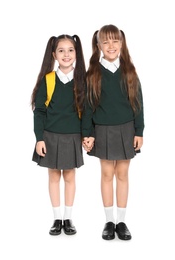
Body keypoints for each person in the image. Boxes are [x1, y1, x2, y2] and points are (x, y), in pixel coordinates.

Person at [82, 24, 144, 241]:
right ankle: (109, 221)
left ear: (121, 43)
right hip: (103, 130)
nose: (111, 45)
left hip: (126, 129)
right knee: (107, 174)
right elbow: (88, 106)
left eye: (115, 40)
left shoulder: (129, 70)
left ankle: (122, 221)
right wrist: (87, 133)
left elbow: (138, 102)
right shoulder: (93, 73)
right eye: (105, 41)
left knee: (123, 175)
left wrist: (139, 130)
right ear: (98, 45)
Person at [31, 34, 86, 236]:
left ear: (76, 53)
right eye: (61, 50)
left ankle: (68, 217)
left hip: (73, 135)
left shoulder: (82, 80)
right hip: (51, 135)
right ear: (54, 54)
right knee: (54, 177)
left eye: (70, 50)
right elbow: (39, 111)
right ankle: (56, 218)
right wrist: (40, 139)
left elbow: (87, 110)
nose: (66, 54)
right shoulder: (48, 80)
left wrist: (87, 135)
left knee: (70, 176)